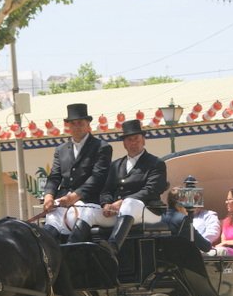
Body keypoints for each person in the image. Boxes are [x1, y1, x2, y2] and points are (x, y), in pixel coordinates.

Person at [71, 119, 167, 253]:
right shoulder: (116, 165)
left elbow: (150, 190)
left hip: (147, 211)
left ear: (143, 140)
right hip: (120, 213)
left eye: (136, 139)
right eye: (129, 140)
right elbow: (106, 190)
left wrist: (120, 203)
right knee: (89, 211)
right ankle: (71, 248)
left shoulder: (156, 163)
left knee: (130, 203)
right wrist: (106, 204)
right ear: (124, 143)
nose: (133, 143)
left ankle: (112, 247)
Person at [42, 103, 112, 237]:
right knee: (49, 228)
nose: (76, 127)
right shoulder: (61, 150)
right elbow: (54, 176)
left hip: (87, 201)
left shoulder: (101, 147)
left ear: (88, 124)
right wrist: (49, 196)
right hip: (62, 201)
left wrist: (74, 196)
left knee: (74, 218)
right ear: (68, 126)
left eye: (80, 123)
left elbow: (98, 177)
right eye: (73, 123)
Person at [161, 187, 212, 253]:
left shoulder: (160, 216)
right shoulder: (183, 219)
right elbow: (205, 246)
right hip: (177, 259)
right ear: (179, 203)